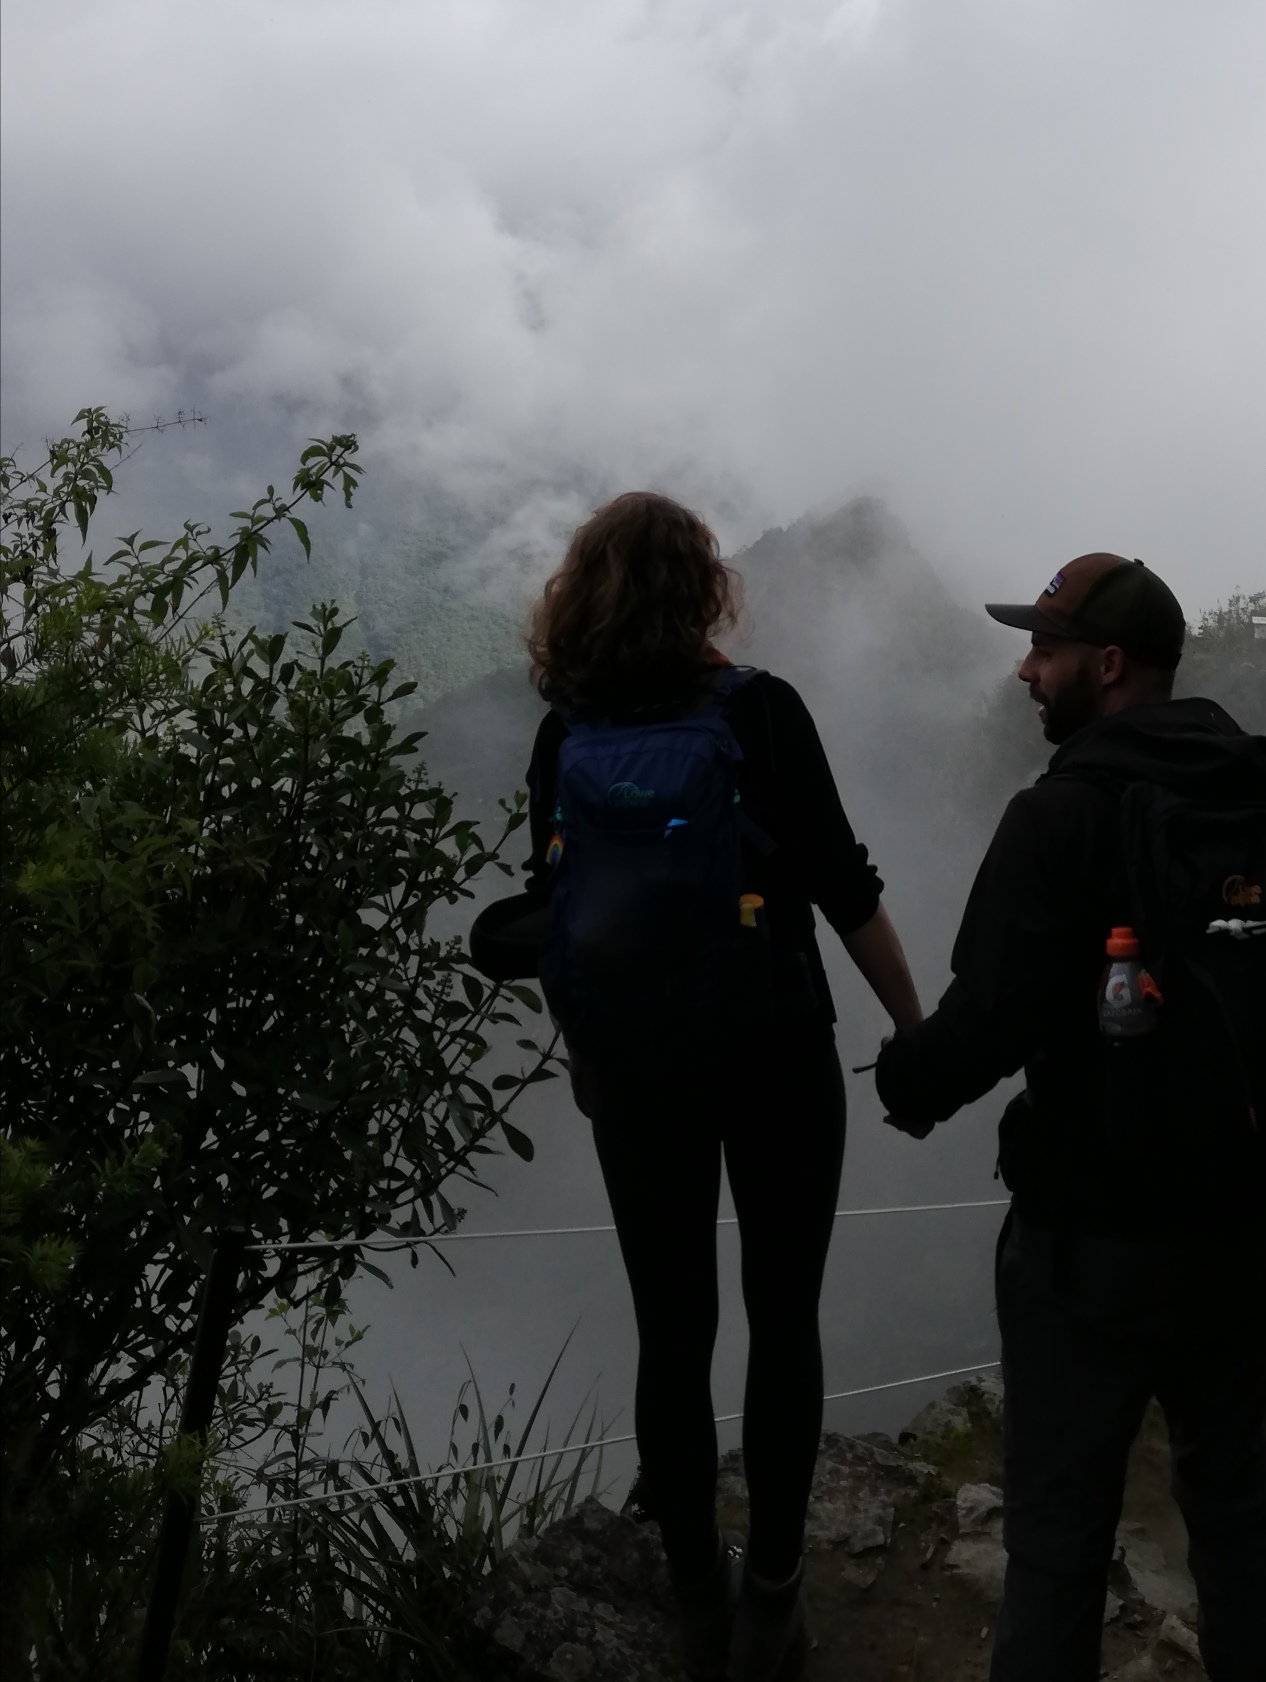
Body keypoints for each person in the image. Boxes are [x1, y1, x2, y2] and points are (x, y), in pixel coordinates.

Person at [523, 492, 923, 1682]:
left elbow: (555, 913)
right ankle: (773, 1600)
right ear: (704, 588)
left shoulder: (564, 733)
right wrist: (915, 1025)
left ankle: (696, 1590)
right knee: (782, 1317)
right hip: (775, 1050)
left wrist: (589, 1052)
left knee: (672, 1328)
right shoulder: (760, 710)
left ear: (582, 593)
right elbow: (845, 885)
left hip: (637, 1071)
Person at [875, 553, 1266, 1681]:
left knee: (1055, 1545)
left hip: (1087, 1249)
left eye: (1045, 650)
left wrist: (902, 1080)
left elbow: (986, 1020)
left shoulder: (1057, 816)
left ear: (1107, 664)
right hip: (1242, 1232)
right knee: (1243, 1523)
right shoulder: (1251, 794)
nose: (1024, 672)